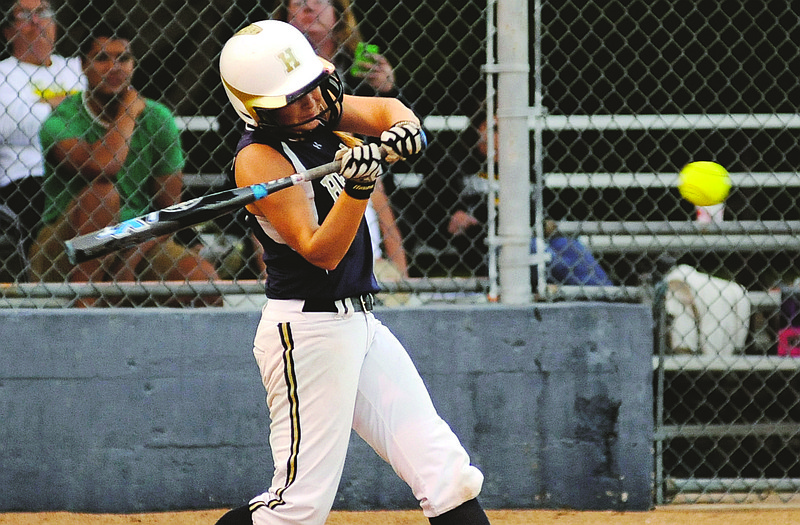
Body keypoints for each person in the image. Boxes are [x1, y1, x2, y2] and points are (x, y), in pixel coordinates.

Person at [214, 20, 491, 525]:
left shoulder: (315, 108)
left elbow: (387, 110)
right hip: (307, 332)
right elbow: (320, 251)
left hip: (359, 323)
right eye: (291, 101)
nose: (311, 106)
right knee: (296, 509)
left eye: (310, 91)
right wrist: (358, 187)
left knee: (444, 473)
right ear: (256, 108)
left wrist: (403, 129)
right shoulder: (259, 159)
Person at [27, 22, 218, 302]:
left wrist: (132, 258)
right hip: (66, 248)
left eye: (123, 58)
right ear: (83, 65)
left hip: (135, 239)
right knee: (103, 194)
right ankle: (86, 304)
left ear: (134, 64)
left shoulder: (157, 119)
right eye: (102, 58)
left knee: (205, 282)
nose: (114, 67)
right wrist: (128, 114)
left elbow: (171, 210)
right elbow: (104, 166)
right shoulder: (63, 118)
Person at [271, 0, 409, 281]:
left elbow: (404, 123)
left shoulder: (356, 64)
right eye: (298, 3)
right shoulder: (273, 70)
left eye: (318, 1)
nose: (308, 8)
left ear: (338, 13)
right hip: (299, 159)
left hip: (363, 159)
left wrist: (388, 88)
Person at [415, 110, 613, 286]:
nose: (502, 138)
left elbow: (549, 210)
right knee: (545, 254)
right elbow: (427, 213)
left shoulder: (525, 167)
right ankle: (606, 304)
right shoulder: (453, 166)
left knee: (571, 246)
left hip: (532, 237)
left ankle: (609, 299)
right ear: (476, 132)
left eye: (509, 129)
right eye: (494, 129)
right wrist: (449, 220)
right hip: (487, 245)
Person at [0, 0, 85, 266]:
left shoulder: (76, 67)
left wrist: (42, 107)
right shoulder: (3, 74)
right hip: (27, 177)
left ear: (56, 26)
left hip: (86, 167)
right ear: (9, 31)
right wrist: (74, 107)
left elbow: (106, 118)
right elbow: (12, 127)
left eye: (42, 13)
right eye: (24, 15)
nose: (35, 21)